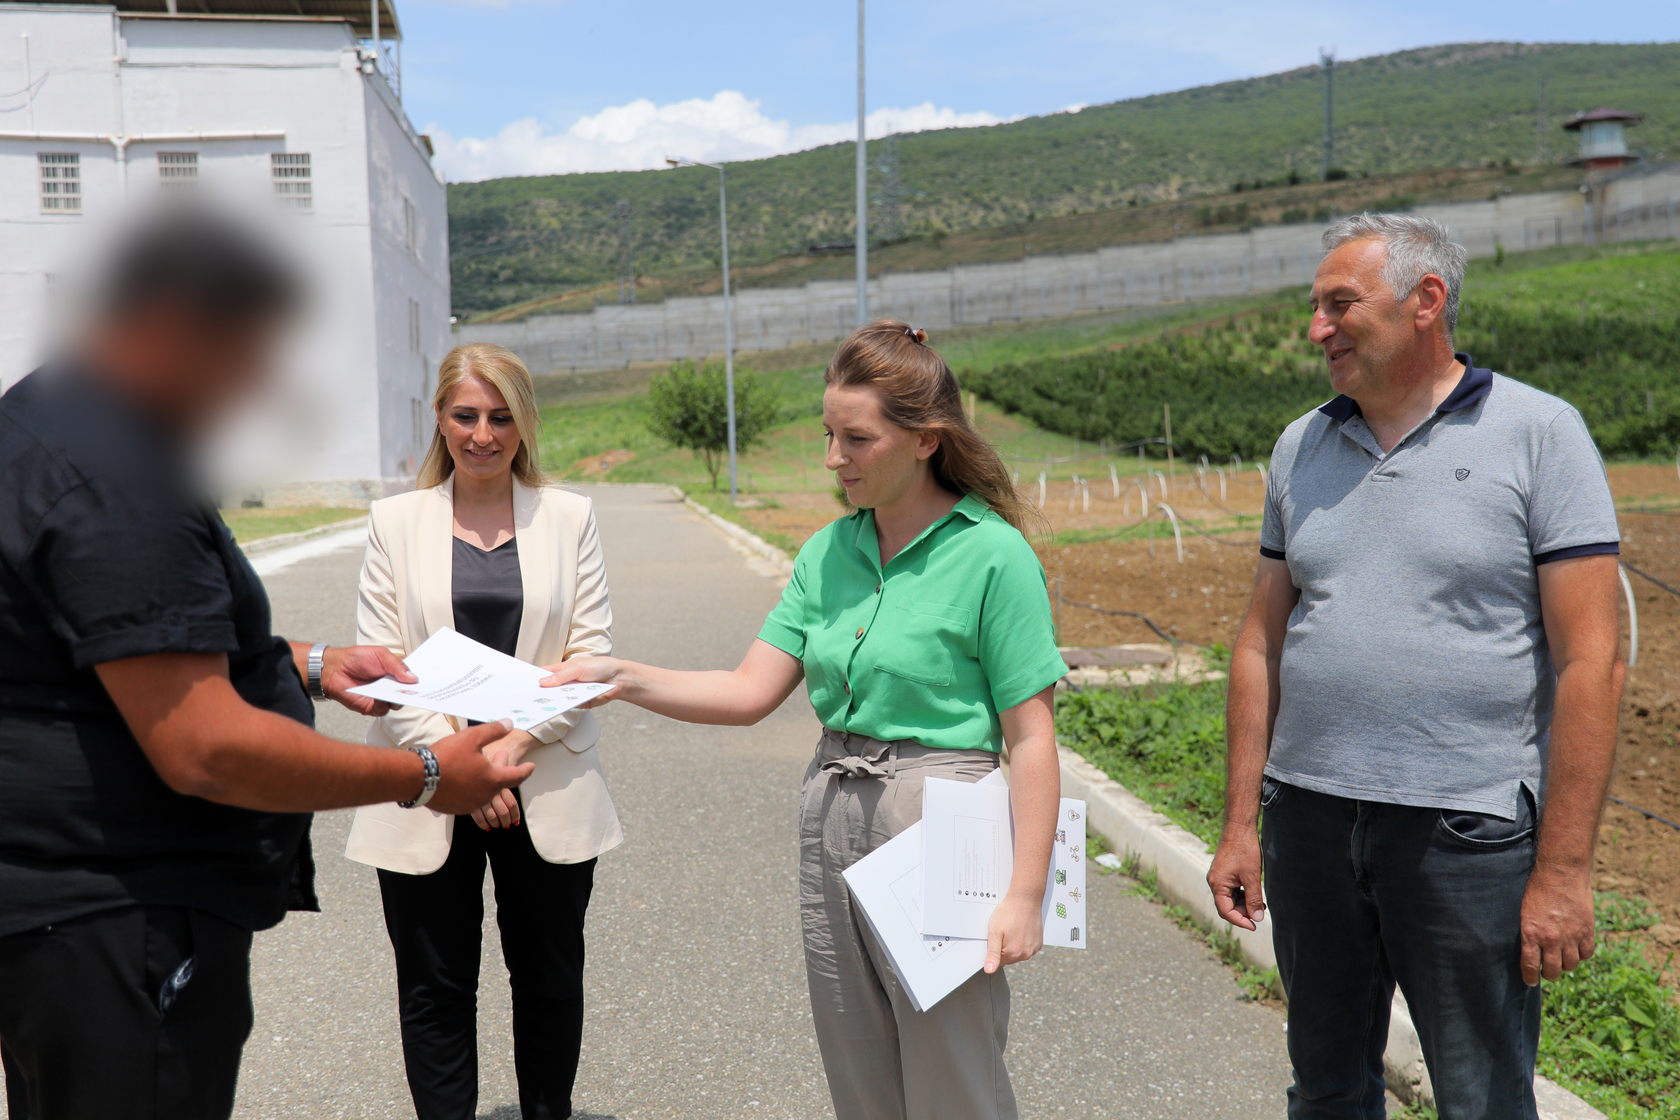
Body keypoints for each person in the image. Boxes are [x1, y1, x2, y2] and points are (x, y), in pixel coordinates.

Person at [0, 210, 532, 1120]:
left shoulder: (47, 418)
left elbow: (113, 644)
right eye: (246, 353)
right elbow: (205, 747)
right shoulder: (115, 481)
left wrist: (314, 664)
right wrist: (425, 774)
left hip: (59, 916)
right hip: (123, 919)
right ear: (172, 326)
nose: (253, 384)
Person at [543, 322, 1067, 1120]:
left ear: (926, 440)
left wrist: (1025, 893)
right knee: (858, 1067)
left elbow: (1031, 738)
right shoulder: (827, 553)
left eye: (857, 439)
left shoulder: (993, 556)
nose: (833, 459)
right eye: (828, 435)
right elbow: (749, 690)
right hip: (833, 805)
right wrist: (620, 677)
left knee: (953, 1075)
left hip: (942, 815)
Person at [1207, 214, 1623, 1119]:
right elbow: (1259, 642)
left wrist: (1563, 869)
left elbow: (1591, 662)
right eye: (1315, 307)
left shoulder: (1540, 434)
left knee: (1481, 1099)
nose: (1316, 328)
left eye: (1339, 304)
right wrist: (1241, 823)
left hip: (1465, 832)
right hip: (1309, 821)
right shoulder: (1301, 445)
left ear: (1425, 300)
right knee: (1327, 1089)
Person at [345, 342, 619, 1120]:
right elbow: (382, 660)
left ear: (524, 422)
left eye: (501, 417)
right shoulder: (395, 522)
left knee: (549, 981)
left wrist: (500, 753)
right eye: (466, 416)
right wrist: (452, 764)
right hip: (425, 780)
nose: (483, 434)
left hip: (542, 777)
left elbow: (589, 659)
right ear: (439, 418)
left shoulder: (571, 517)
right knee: (433, 988)